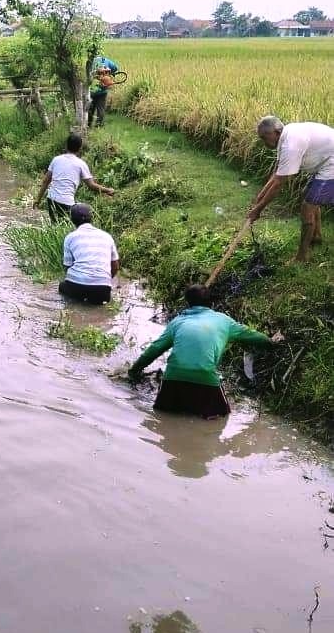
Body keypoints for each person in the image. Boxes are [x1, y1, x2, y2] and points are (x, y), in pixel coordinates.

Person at [128, 284, 279, 419]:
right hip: (205, 378)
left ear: (188, 303)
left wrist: (134, 370)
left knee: (164, 417)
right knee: (221, 418)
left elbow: (155, 349)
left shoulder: (177, 322)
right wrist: (271, 342)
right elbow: (252, 335)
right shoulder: (224, 321)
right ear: (211, 303)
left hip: (173, 378)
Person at [249, 116, 334, 262]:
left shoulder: (290, 144)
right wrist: (260, 197)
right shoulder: (286, 136)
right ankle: (316, 236)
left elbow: (278, 184)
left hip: (331, 166)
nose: (264, 142)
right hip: (325, 163)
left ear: (275, 132)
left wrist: (258, 210)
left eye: (264, 138)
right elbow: (277, 173)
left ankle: (301, 257)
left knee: (308, 206)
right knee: (310, 197)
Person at [33, 132, 114, 223]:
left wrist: (37, 200)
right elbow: (91, 185)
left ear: (66, 145)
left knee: (55, 225)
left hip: (51, 199)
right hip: (67, 202)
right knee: (67, 227)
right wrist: (108, 190)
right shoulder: (81, 164)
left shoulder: (56, 160)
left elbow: (45, 181)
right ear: (80, 148)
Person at [59, 203, 119, 305]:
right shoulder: (107, 236)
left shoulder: (70, 237)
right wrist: (102, 280)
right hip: (103, 290)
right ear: (91, 218)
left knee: (62, 287)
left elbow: (67, 267)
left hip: (76, 287)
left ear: (72, 220)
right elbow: (115, 266)